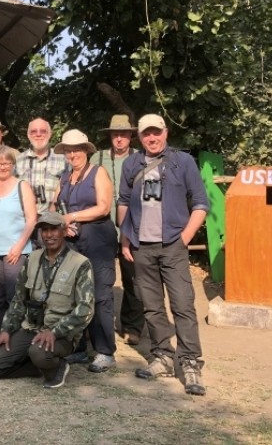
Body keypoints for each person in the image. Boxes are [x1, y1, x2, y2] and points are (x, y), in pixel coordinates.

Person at [118, 114, 209, 396]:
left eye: (156, 132)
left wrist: (184, 238)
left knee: (183, 304)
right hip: (141, 246)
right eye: (146, 134)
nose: (152, 138)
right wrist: (125, 237)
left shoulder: (183, 162)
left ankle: (190, 362)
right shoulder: (131, 164)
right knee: (151, 306)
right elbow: (122, 202)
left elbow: (201, 203)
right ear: (140, 137)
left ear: (166, 133)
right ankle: (162, 356)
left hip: (172, 244)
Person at [0, 212, 95, 389]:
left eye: (53, 230)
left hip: (61, 334)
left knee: (40, 353)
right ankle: (37, 367)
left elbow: (85, 309)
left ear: (64, 231)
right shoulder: (32, 259)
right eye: (44, 230)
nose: (48, 235)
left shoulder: (80, 263)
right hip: (31, 329)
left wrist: (55, 332)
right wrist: (7, 330)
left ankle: (57, 366)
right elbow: (19, 299)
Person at [54, 129, 119, 374]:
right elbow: (56, 204)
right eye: (68, 150)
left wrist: (72, 216)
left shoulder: (98, 172)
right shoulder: (64, 176)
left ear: (86, 150)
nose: (73, 154)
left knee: (100, 294)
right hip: (72, 240)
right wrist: (64, 223)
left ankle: (105, 352)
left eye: (77, 149)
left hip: (98, 238)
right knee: (74, 294)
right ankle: (79, 348)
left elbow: (103, 207)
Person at [90, 114, 145, 346]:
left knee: (134, 278)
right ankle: (94, 324)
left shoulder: (141, 158)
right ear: (110, 136)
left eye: (124, 134)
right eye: (115, 134)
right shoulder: (97, 157)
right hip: (101, 228)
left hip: (131, 228)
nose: (119, 138)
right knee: (97, 278)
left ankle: (133, 326)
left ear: (131, 136)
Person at [0, 146, 38, 327]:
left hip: (16, 251)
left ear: (13, 164)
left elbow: (31, 219)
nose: (3, 167)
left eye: (7, 163)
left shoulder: (22, 186)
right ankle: (0, 336)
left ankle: (17, 339)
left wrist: (19, 246)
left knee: (14, 296)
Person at [15, 117, 66, 214]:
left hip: (54, 220)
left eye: (43, 131)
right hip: (24, 219)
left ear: (50, 134)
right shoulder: (18, 160)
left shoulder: (63, 159)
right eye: (34, 131)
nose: (38, 134)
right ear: (28, 135)